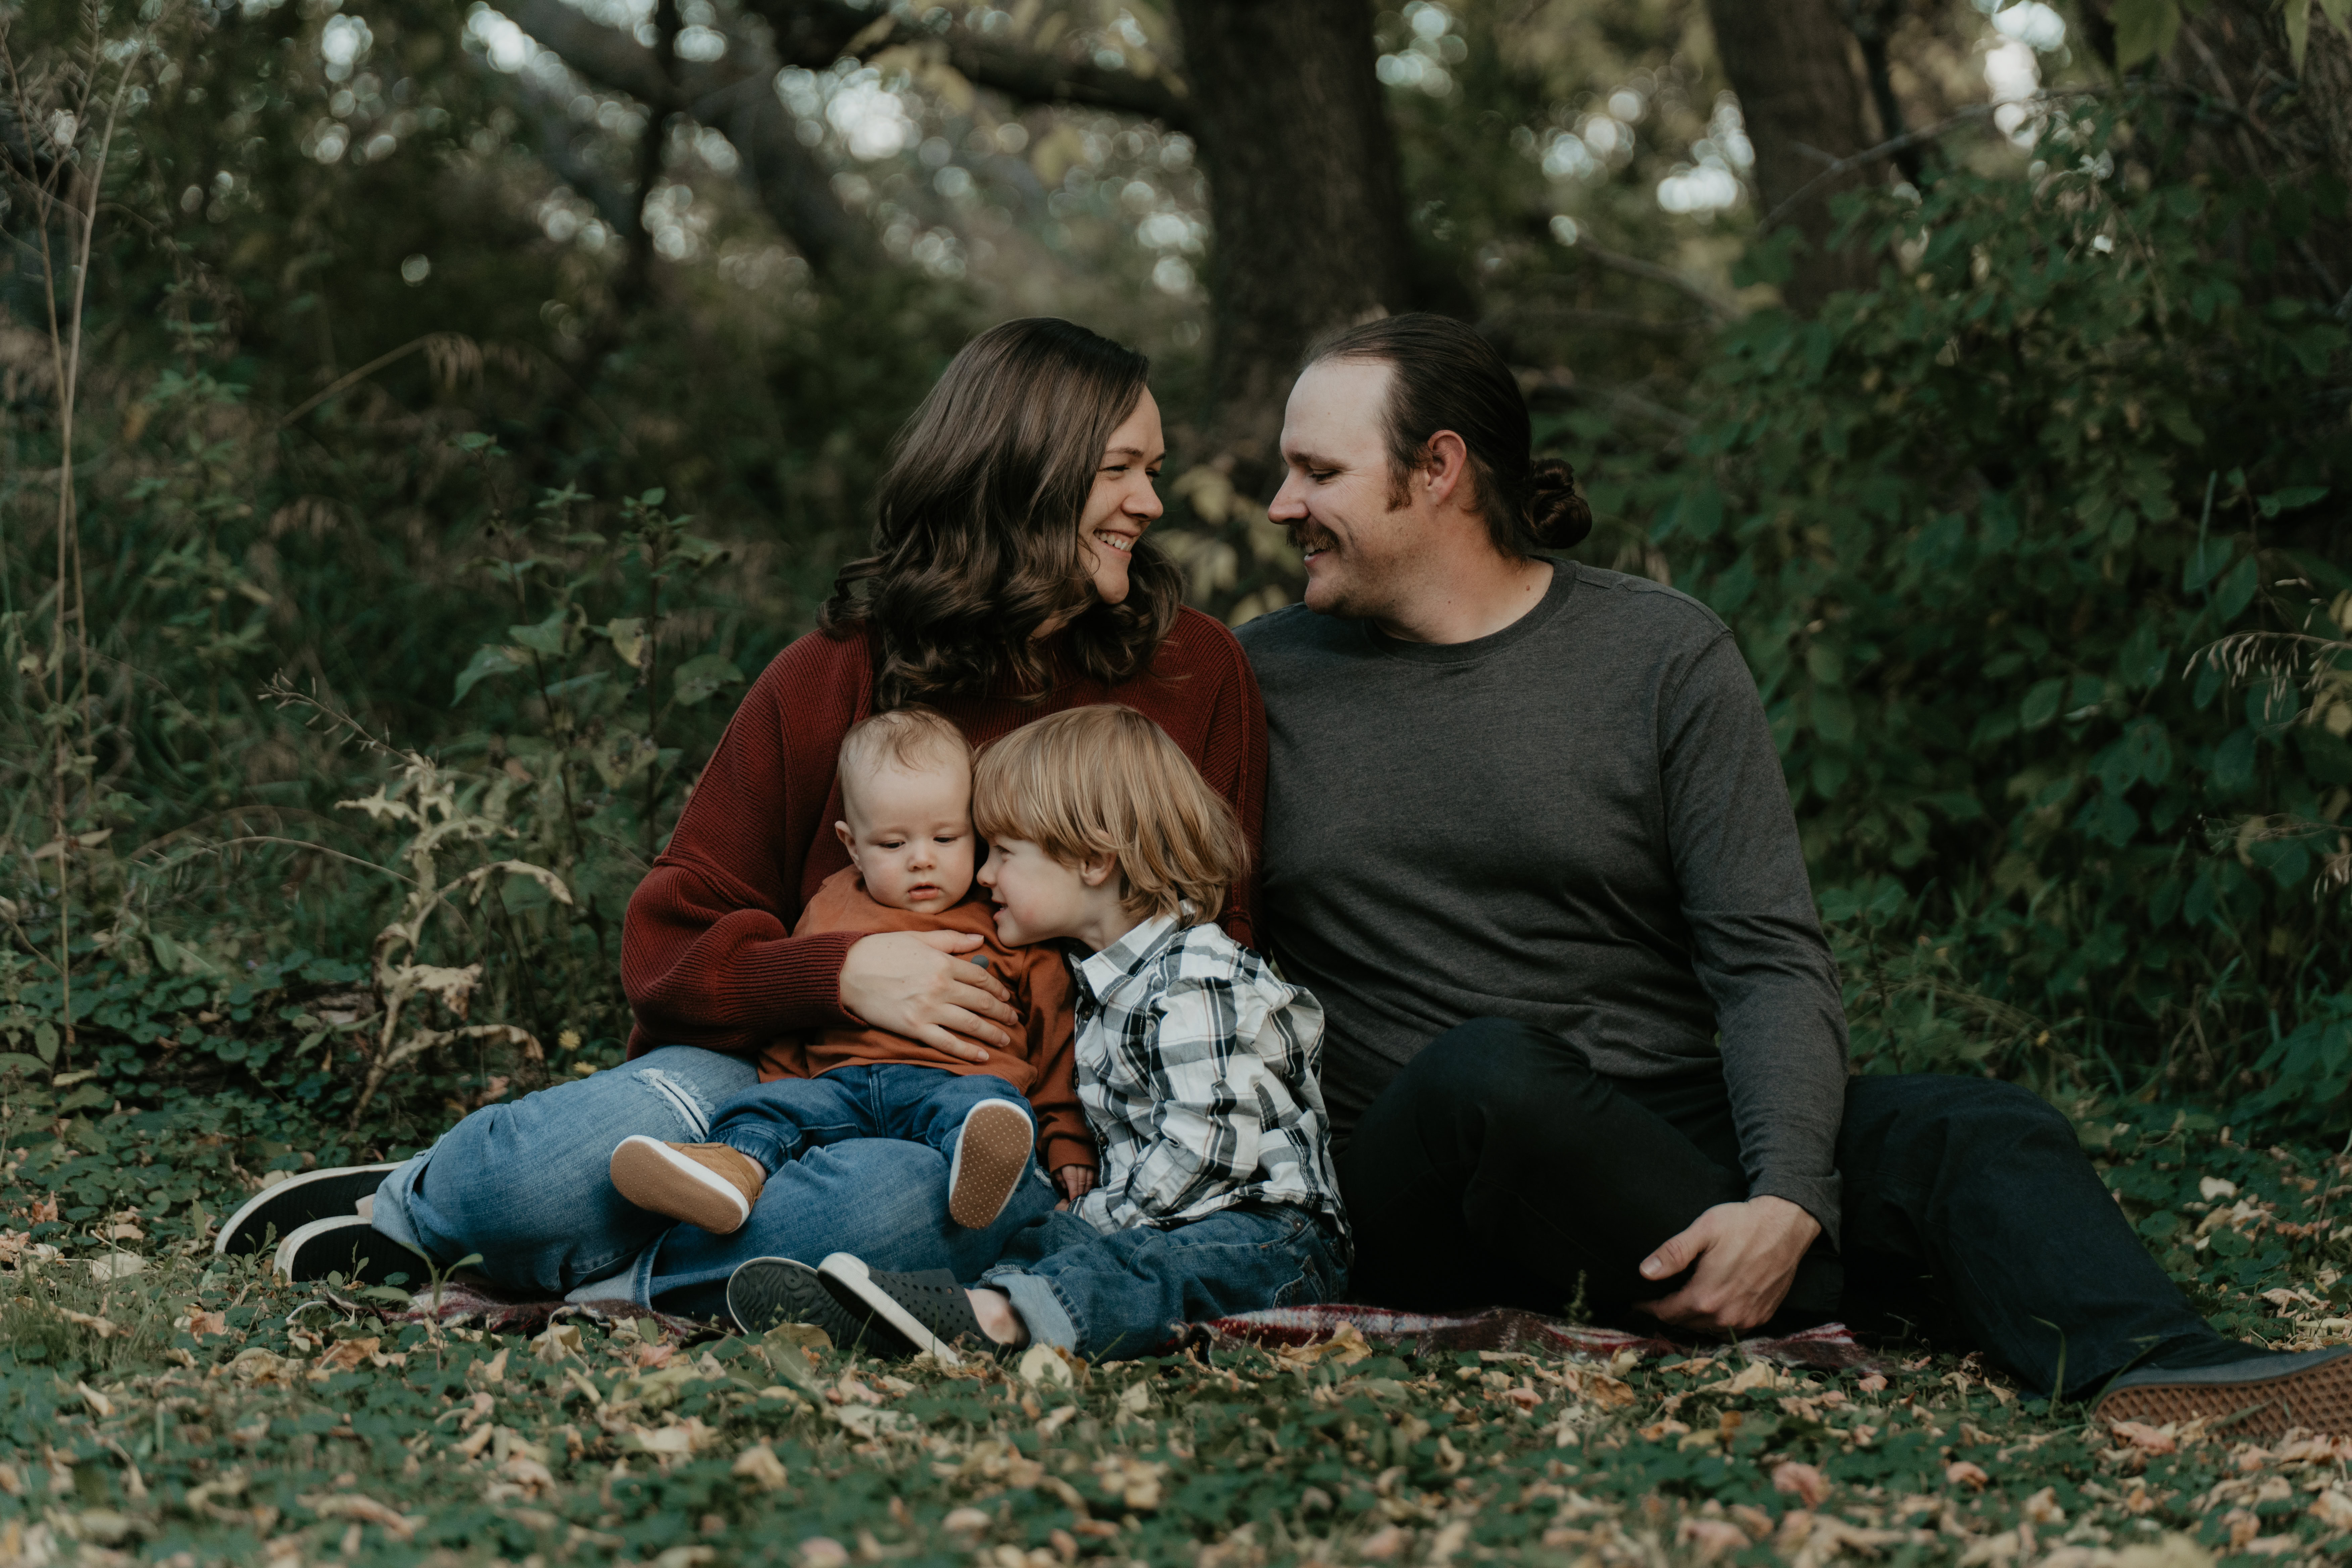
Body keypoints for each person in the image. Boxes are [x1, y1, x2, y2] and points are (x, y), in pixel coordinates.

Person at [1233, 311, 2351, 1437]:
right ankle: (1841, 1282)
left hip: (1661, 1119)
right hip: (1434, 1155)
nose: (1281, 507)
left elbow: (1763, 954)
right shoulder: (1252, 683)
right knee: (1488, 1074)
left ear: (1438, 470)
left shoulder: (1657, 656)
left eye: (1315, 472)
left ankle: (2167, 1371)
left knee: (1975, 1124)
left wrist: (1781, 1195)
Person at [222, 318, 1270, 1318]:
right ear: (1029, 472)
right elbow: (669, 943)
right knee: (527, 1179)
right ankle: (425, 1208)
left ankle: (596, 1282)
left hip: (994, 1117)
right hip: (778, 1074)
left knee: (869, 1215)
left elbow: (1220, 948)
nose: (1149, 503)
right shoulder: (844, 672)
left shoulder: (1193, 674)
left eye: (1155, 471)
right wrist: (839, 973)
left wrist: (1074, 1135)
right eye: (1122, 470)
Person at [726, 706, 1346, 1363]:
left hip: (1268, 1241)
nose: (985, 874)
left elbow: (1209, 1146)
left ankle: (987, 1319)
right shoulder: (1095, 982)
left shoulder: (1198, 972)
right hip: (1157, 1224)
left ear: (1093, 860)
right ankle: (914, 1310)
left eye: (1004, 853)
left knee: (1132, 1270)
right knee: (1031, 1243)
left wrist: (1091, 1225)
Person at [605, 706, 1094, 1238]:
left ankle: (980, 1174)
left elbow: (1054, 1035)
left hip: (955, 1082)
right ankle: (730, 1170)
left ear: (975, 831)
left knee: (985, 1110)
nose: (922, 860)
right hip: (838, 1087)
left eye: (947, 839)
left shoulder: (1004, 916)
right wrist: (785, 1081)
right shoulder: (830, 906)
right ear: (852, 847)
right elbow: (794, 1016)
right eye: (893, 844)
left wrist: (1064, 1134)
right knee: (770, 1109)